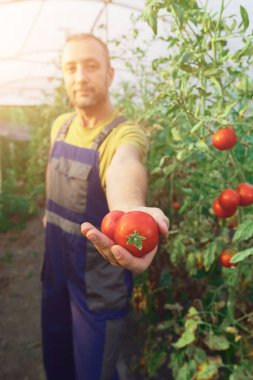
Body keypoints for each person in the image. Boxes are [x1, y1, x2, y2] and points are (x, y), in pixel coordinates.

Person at [42, 33, 169, 380]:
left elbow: (124, 167)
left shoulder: (124, 135)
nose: (80, 76)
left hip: (98, 285)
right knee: (57, 358)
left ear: (110, 75)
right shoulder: (60, 127)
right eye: (71, 68)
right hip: (55, 273)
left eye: (91, 66)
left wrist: (131, 212)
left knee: (95, 369)